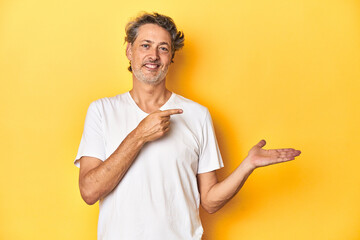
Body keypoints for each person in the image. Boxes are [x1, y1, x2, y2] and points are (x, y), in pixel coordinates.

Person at [74, 12, 301, 240]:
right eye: (145, 45)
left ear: (171, 57)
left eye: (163, 48)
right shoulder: (101, 111)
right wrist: (139, 135)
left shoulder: (197, 115)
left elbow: (210, 201)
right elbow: (89, 191)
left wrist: (247, 165)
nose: (153, 55)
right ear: (129, 51)